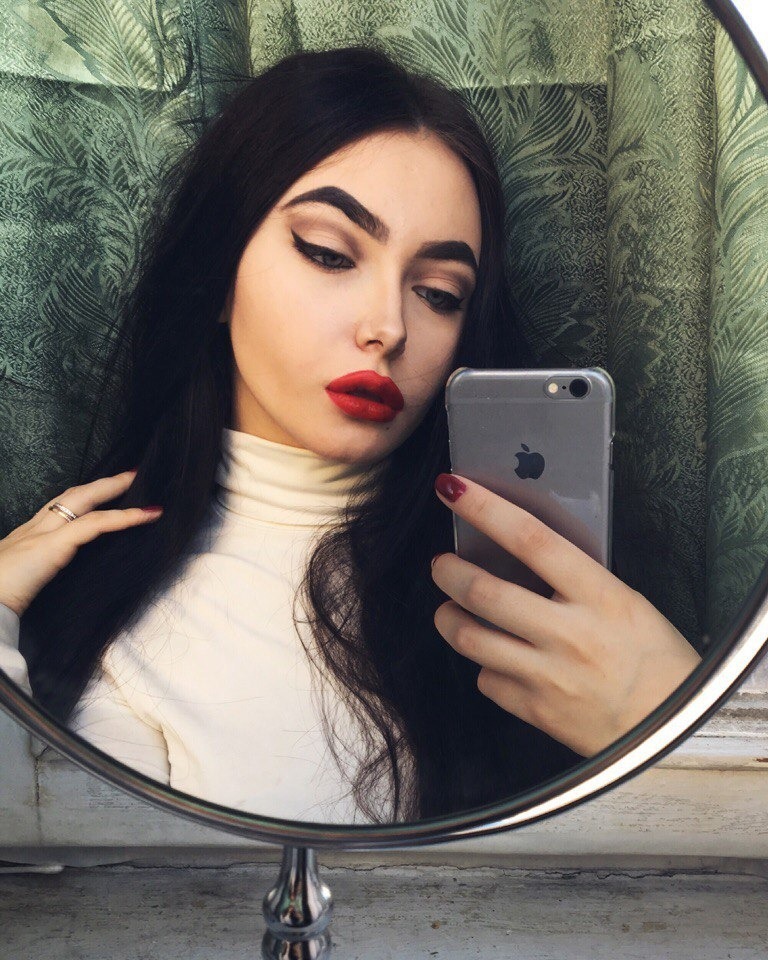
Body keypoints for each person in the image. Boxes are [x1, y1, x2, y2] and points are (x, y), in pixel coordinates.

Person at [0, 45, 701, 825]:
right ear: (218, 276)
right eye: (329, 253)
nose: (388, 327)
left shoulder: (523, 604)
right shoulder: (98, 606)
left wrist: (664, 713)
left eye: (439, 293)